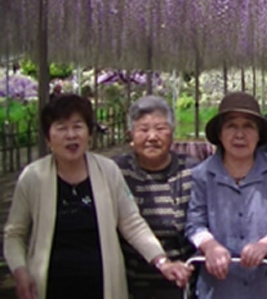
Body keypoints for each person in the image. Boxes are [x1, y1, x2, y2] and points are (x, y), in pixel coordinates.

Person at [3, 94, 190, 299]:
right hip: (49, 285)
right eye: (61, 128)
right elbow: (15, 234)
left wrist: (162, 261)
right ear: (48, 138)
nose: (71, 135)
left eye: (78, 127)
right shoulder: (33, 177)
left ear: (89, 134)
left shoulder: (108, 170)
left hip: (102, 285)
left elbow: (131, 223)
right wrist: (20, 271)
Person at [186, 92, 267, 298]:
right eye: (231, 126)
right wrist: (210, 246)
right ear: (220, 134)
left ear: (258, 135)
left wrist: (266, 245)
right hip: (220, 286)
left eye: (248, 126)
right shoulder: (202, 175)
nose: (239, 134)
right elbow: (194, 225)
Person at [114, 95, 199, 299]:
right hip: (131, 283)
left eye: (160, 129)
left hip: (184, 281)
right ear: (130, 135)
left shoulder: (193, 170)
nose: (152, 137)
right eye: (143, 130)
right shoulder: (116, 171)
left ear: (172, 133)